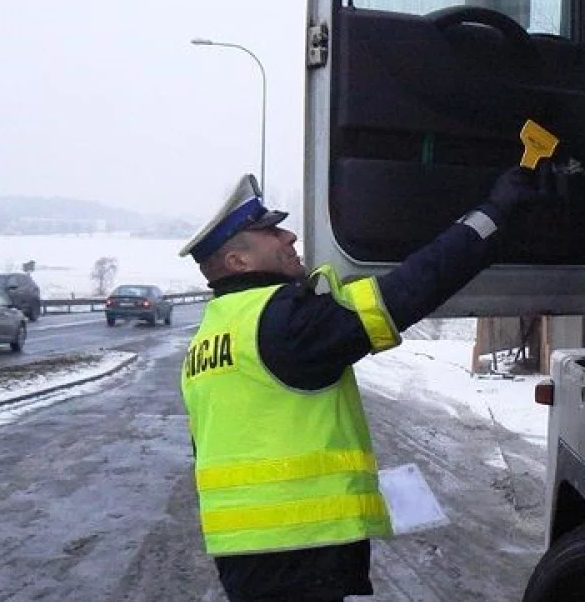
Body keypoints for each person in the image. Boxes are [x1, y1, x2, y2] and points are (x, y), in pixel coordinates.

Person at [177, 167, 540, 602]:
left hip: (246, 555)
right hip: (303, 551)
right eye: (271, 232)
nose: (290, 237)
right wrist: (492, 216)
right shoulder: (282, 324)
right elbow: (412, 289)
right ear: (238, 262)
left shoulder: (208, 339)